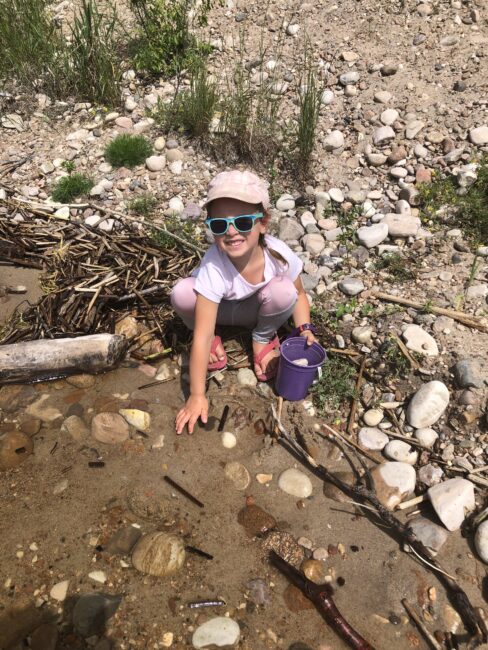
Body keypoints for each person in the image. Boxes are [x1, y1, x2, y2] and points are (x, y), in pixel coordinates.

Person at [171, 170, 318, 434]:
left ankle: (262, 337)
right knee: (182, 293)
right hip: (218, 314)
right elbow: (201, 336)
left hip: (257, 311)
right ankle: (221, 340)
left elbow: (300, 295)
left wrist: (305, 329)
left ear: (263, 223)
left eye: (242, 222)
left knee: (285, 291)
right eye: (219, 225)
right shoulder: (214, 264)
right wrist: (196, 394)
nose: (231, 232)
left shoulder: (278, 254)